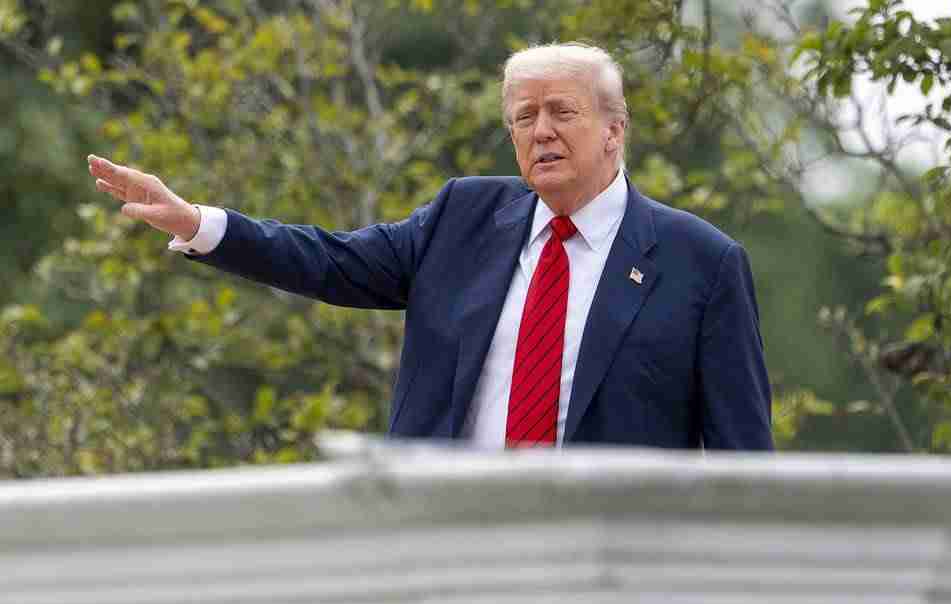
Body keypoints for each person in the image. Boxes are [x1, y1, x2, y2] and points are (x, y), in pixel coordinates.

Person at [88, 42, 773, 451]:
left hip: (608, 577)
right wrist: (196, 222)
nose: (541, 131)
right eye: (524, 117)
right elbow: (330, 261)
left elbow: (742, 458)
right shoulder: (462, 219)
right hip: (450, 552)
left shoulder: (701, 263)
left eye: (562, 111)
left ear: (615, 130)